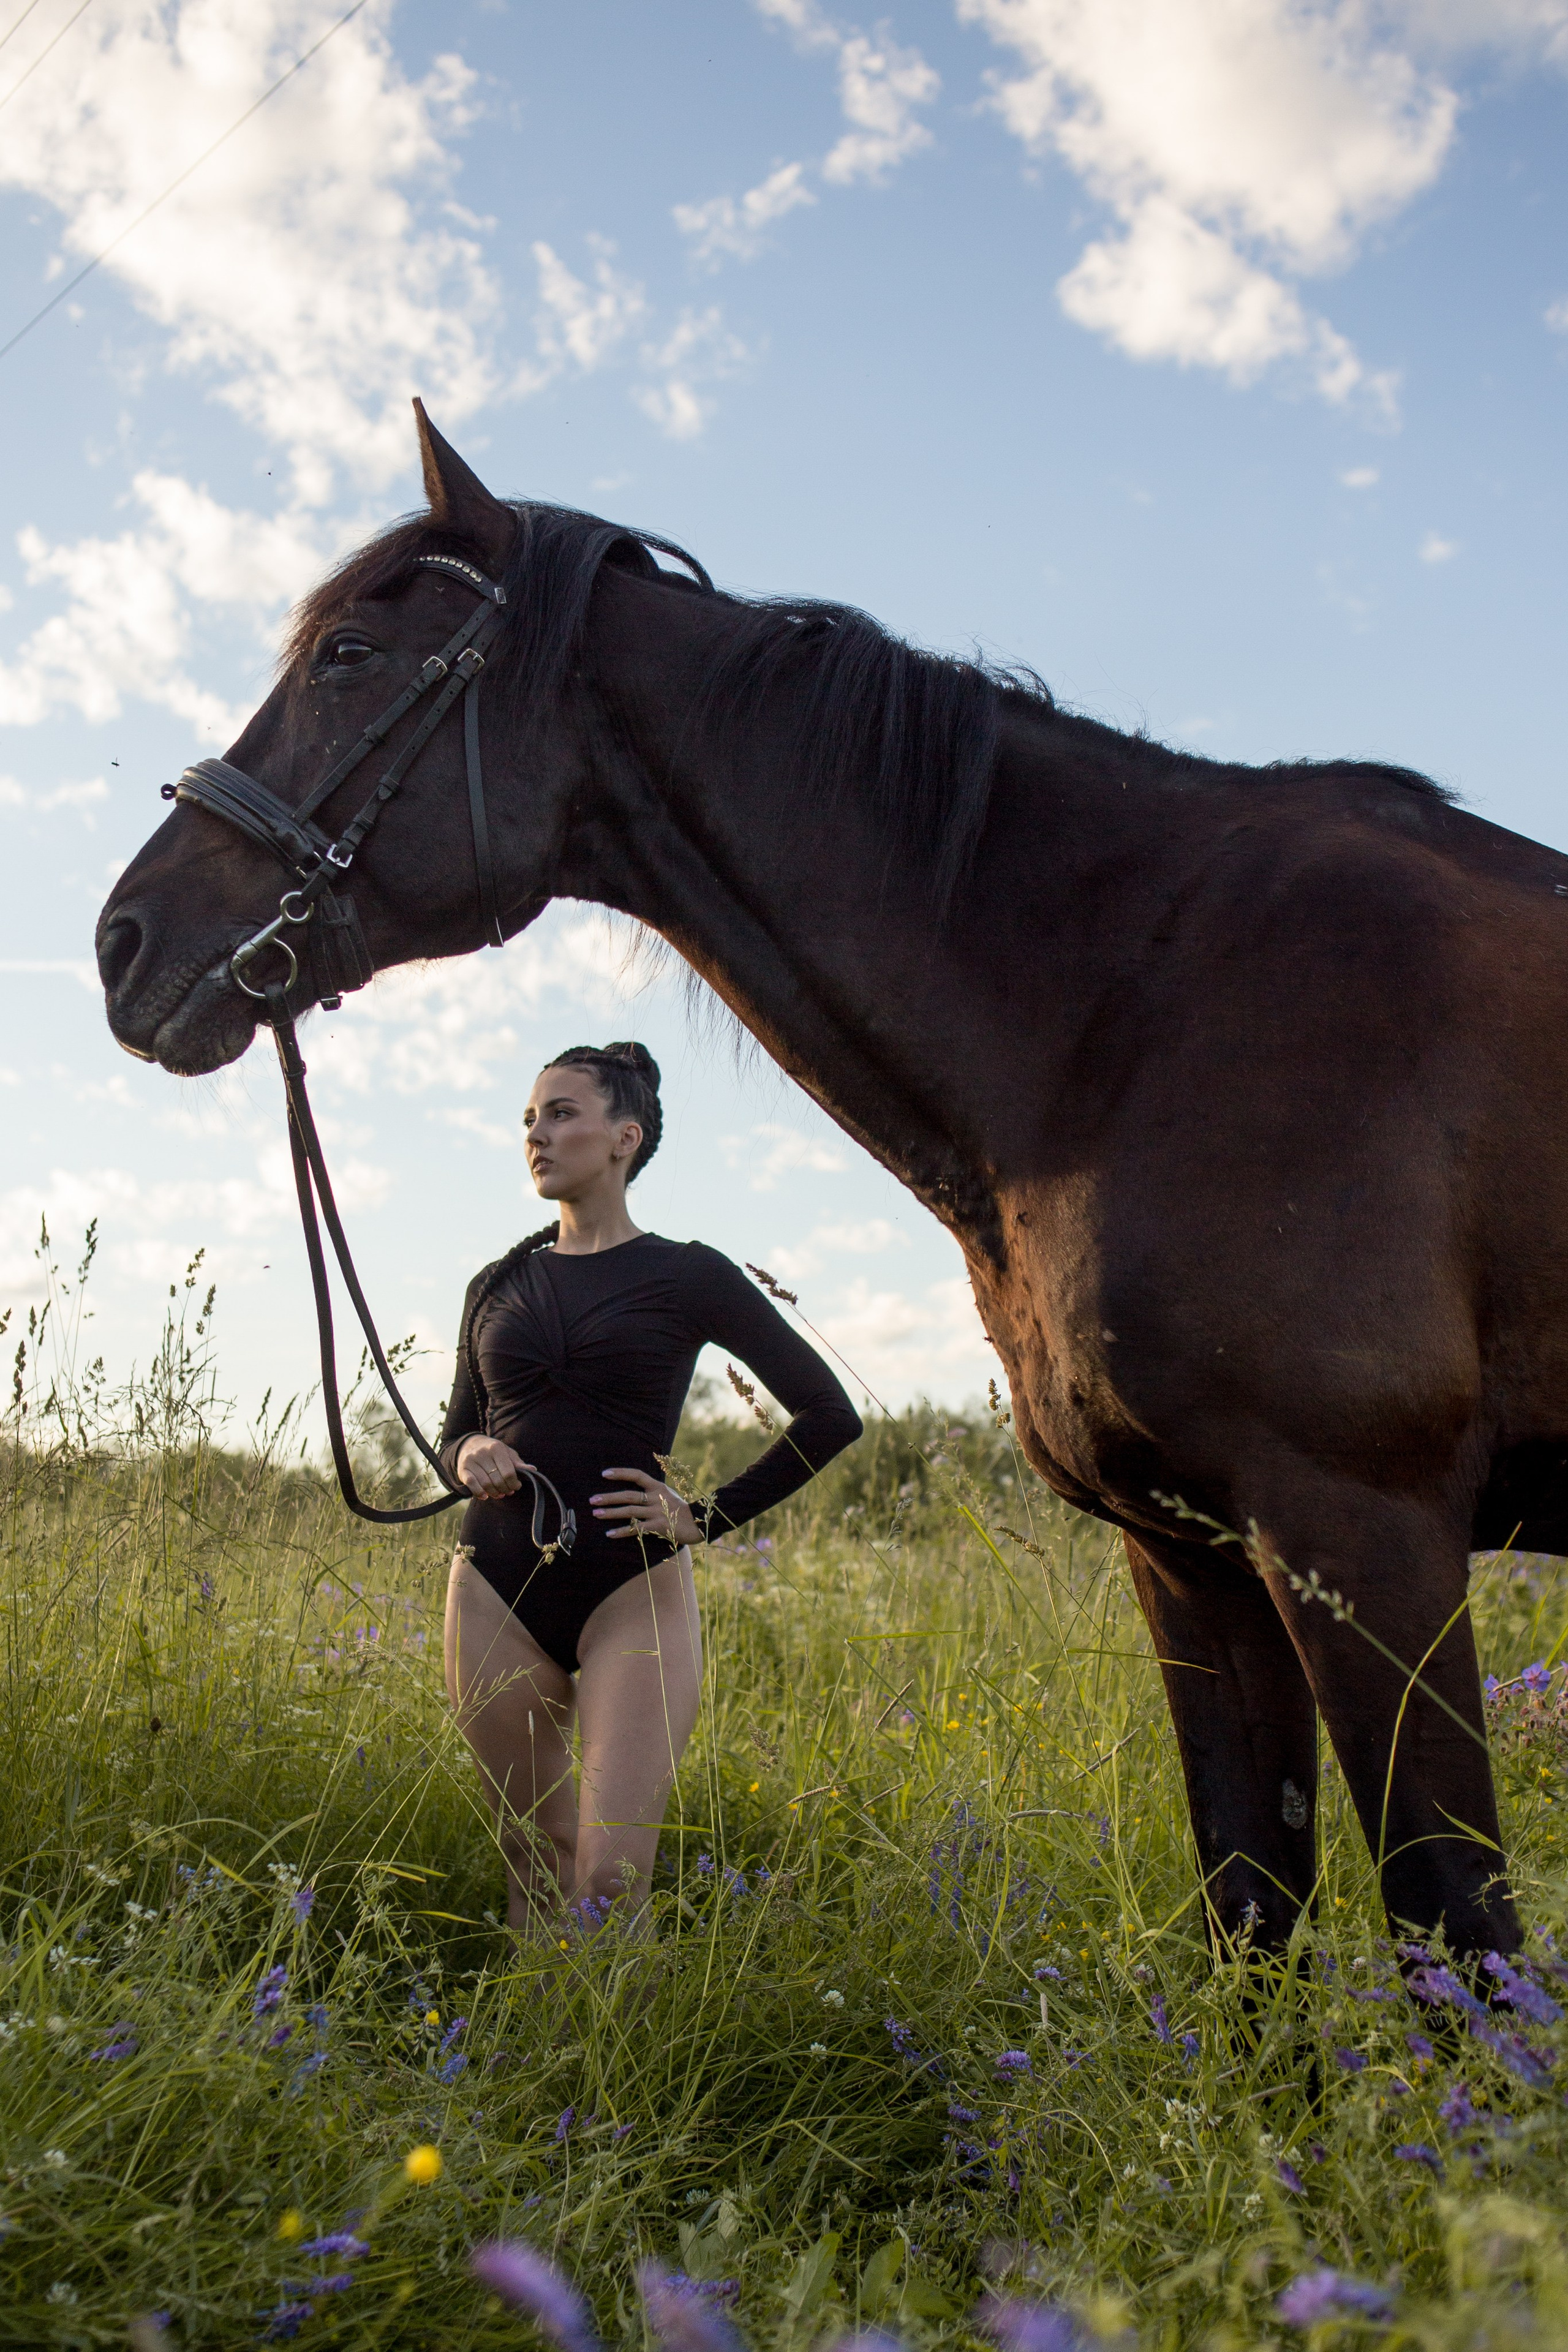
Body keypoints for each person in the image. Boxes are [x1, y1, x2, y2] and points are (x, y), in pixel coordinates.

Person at [440, 1040, 862, 1932]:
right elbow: (454, 1434)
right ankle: (536, 2064)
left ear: (625, 1136)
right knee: (535, 1855)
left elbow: (831, 1415)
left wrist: (704, 1516)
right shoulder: (497, 1283)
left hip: (631, 1583)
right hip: (493, 1585)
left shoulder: (690, 1274)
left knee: (612, 1874)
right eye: (528, 1120)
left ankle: (619, 2064)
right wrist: (471, 1451)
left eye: (561, 1114)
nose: (537, 1136)